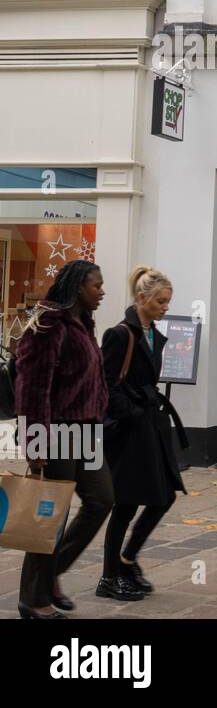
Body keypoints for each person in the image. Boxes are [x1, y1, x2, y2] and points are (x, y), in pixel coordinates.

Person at [12, 260, 113, 619]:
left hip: (85, 430)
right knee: (49, 516)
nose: (102, 292)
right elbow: (32, 387)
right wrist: (35, 442)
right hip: (57, 432)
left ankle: (51, 573)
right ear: (77, 286)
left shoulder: (83, 323)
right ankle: (33, 599)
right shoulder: (49, 324)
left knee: (102, 499)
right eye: (96, 285)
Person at [99, 266, 188, 601]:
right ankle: (109, 576)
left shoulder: (153, 334)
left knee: (164, 495)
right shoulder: (120, 334)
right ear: (141, 299)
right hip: (131, 430)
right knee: (125, 504)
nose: (166, 307)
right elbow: (107, 384)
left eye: (168, 301)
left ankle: (127, 558)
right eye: (161, 301)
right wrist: (132, 413)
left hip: (152, 425)